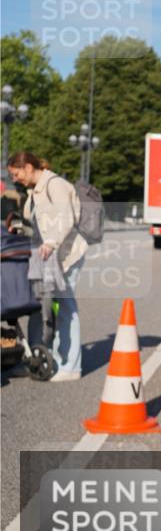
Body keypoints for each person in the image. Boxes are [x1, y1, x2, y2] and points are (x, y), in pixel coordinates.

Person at [8, 152, 89, 382]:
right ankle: (34, 357)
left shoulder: (56, 185)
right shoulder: (34, 191)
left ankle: (71, 366)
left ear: (28, 167)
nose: (15, 179)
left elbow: (66, 217)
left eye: (16, 174)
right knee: (37, 307)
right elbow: (37, 224)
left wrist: (52, 242)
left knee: (64, 307)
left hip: (65, 256)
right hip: (44, 258)